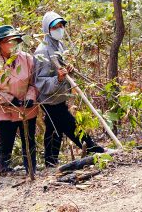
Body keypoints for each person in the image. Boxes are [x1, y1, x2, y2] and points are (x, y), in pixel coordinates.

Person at [35, 12, 104, 167]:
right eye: (55, 27)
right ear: (47, 29)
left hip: (60, 96)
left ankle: (51, 162)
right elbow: (40, 82)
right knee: (69, 125)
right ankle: (94, 150)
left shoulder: (59, 45)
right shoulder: (42, 52)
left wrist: (68, 69)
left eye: (61, 26)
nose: (59, 29)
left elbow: (61, 68)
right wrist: (58, 79)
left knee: (56, 129)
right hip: (50, 99)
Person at [0, 25, 38, 173]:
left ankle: (31, 168)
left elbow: (35, 82)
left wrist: (30, 97)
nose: (11, 44)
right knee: (6, 141)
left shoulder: (27, 59)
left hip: (27, 107)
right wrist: (7, 98)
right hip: (2, 108)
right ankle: (4, 169)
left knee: (29, 140)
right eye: (7, 41)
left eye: (14, 40)